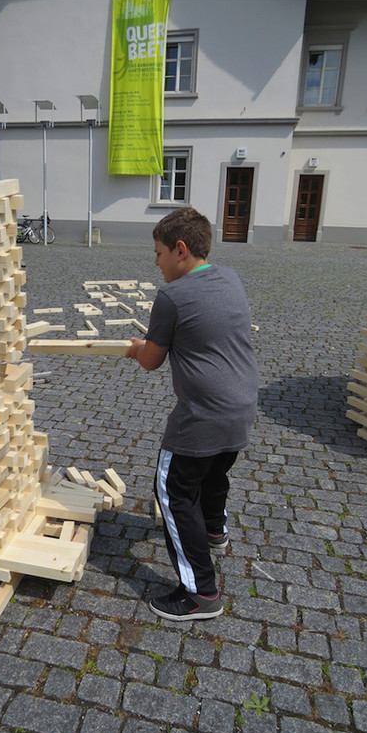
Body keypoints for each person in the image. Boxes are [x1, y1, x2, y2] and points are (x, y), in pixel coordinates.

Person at [125, 207, 259, 622]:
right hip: (241, 409)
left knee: (173, 491)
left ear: (180, 250)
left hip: (203, 416)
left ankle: (200, 594)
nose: (156, 262)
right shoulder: (230, 278)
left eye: (159, 253)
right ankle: (214, 531)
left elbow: (151, 360)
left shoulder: (171, 297)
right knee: (215, 472)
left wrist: (136, 348)